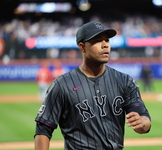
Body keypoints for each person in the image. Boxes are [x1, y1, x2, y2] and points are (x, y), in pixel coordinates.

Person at [34, 21, 151, 150]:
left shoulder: (124, 81)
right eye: (97, 41)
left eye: (107, 40)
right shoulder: (62, 85)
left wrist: (143, 123)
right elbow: (43, 129)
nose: (105, 45)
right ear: (82, 47)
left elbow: (143, 118)